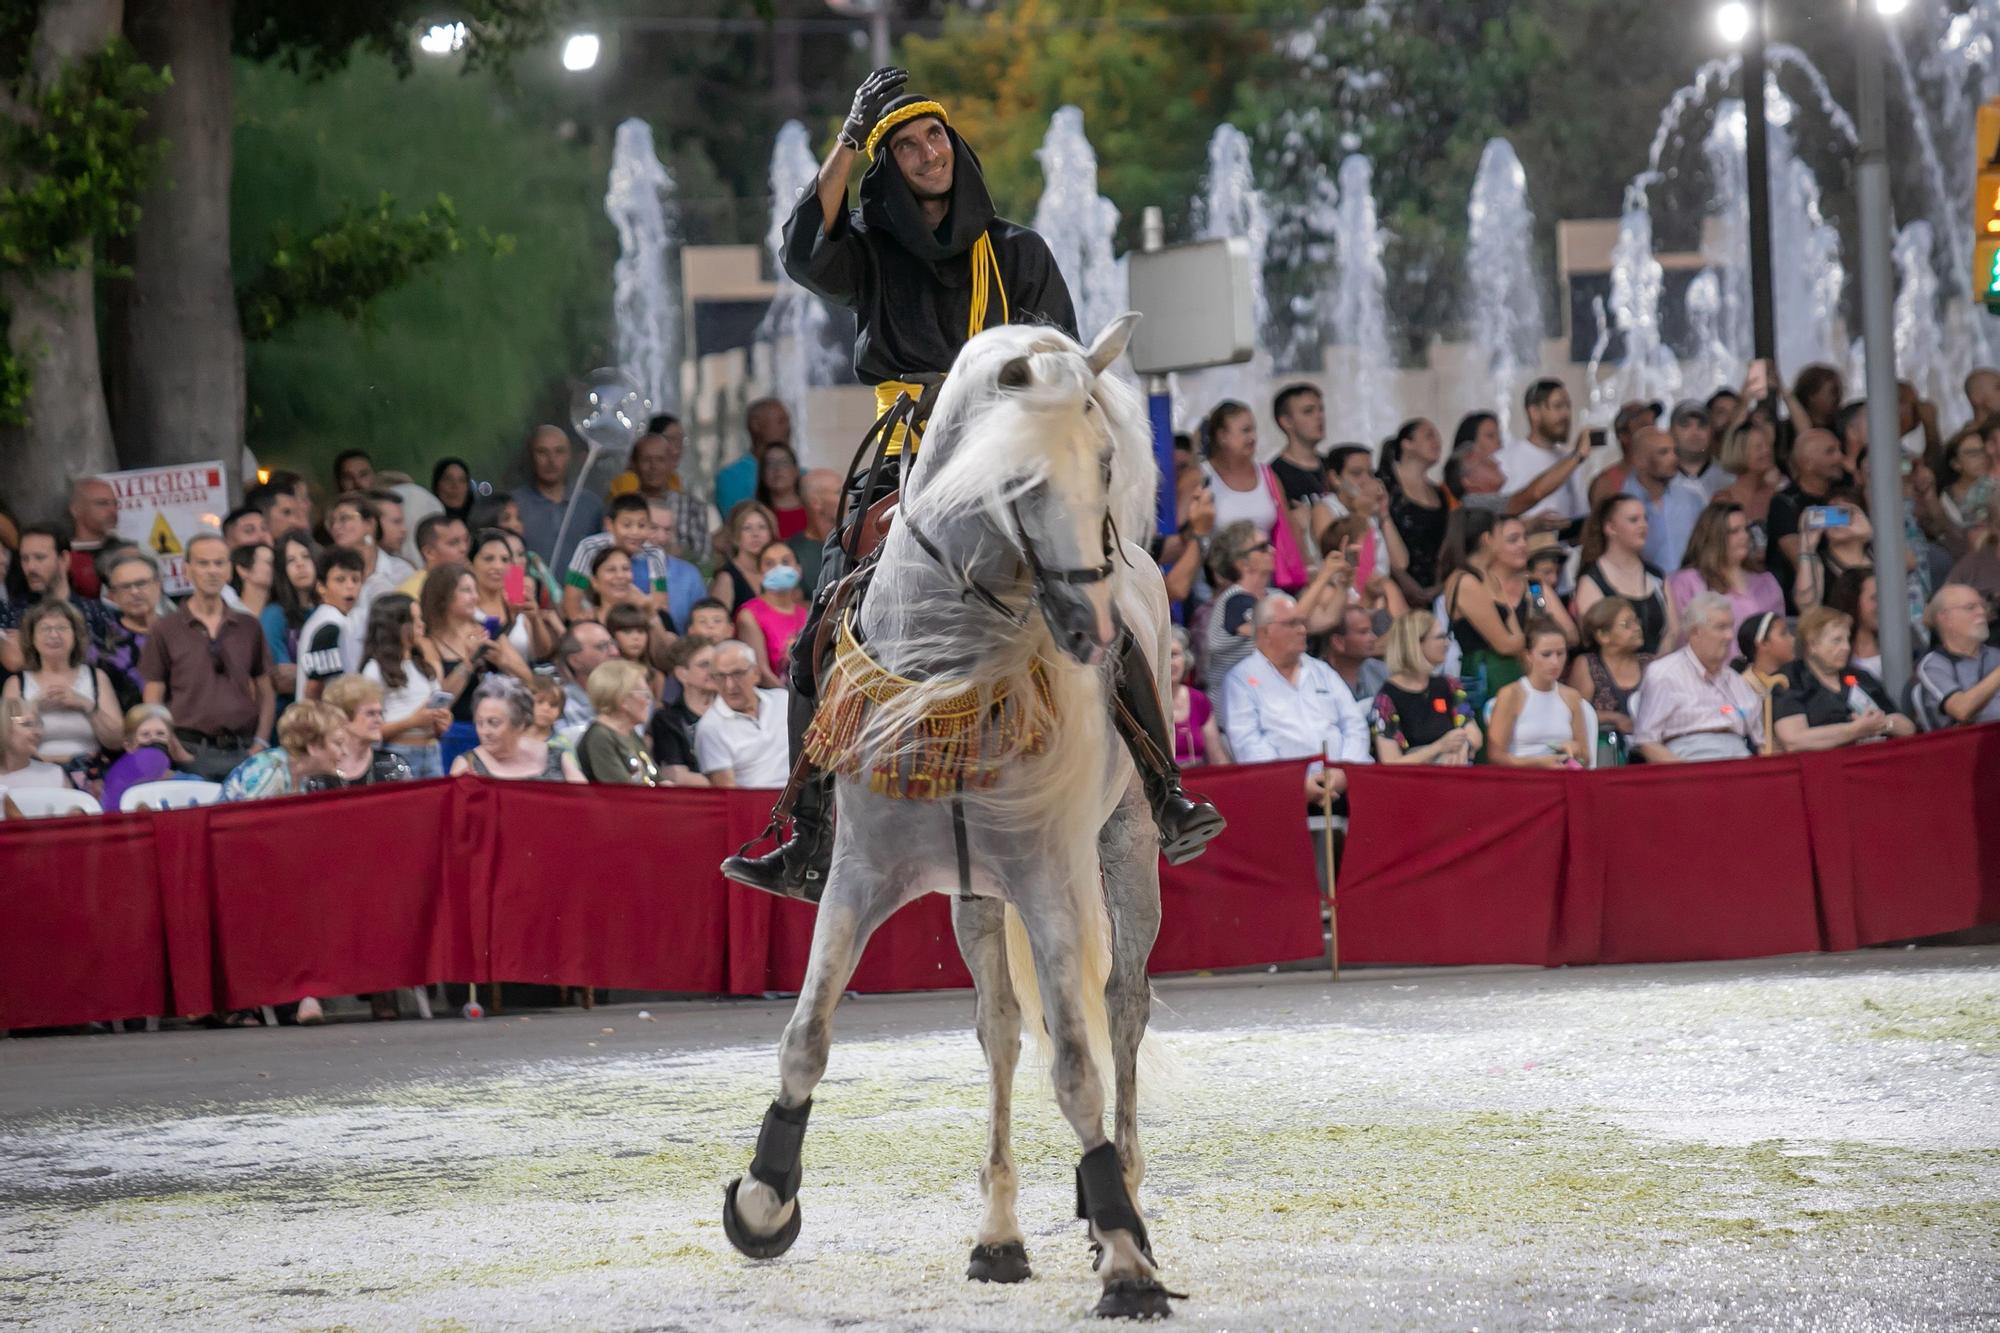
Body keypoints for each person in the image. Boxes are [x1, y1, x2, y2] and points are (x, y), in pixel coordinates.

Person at [728, 67, 1216, 897]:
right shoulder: (871, 252)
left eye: (936, 137)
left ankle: (1164, 792)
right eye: (908, 145)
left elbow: (1061, 362)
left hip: (1013, 451)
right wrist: (851, 136)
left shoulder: (1019, 249)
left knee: (1107, 590)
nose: (928, 153)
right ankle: (806, 830)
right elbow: (804, 251)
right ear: (888, 165)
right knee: (822, 615)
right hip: (907, 449)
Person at [140, 534, 275, 780]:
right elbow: (153, 695)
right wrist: (172, 745)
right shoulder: (166, 628)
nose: (212, 571)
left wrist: (261, 742)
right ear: (187, 569)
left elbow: (266, 689)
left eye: (219, 563)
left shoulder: (248, 626)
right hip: (189, 748)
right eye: (203, 563)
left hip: (243, 748)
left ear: (230, 570)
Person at [1219, 593, 1372, 808]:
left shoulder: (1322, 672)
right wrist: (1294, 784)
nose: (1302, 630)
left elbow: (1354, 724)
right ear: (1265, 631)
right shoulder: (1241, 680)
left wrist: (1344, 771)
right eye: (1292, 623)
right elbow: (1248, 742)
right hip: (1278, 797)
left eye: (1302, 622)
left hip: (1343, 786)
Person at [1440, 510, 1576, 714]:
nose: (1523, 545)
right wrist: (1538, 639)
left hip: (1518, 673)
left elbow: (1566, 633)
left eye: (1524, 538)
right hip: (1487, 675)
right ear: (1489, 540)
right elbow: (1507, 643)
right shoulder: (1469, 580)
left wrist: (1537, 612)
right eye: (1513, 540)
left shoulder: (1534, 587)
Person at [423, 563, 534, 768]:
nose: (475, 597)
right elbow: (440, 699)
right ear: (443, 596)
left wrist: (503, 661)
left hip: (495, 731)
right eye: (466, 590)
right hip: (453, 733)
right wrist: (469, 662)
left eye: (475, 590)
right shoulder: (429, 641)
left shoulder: (488, 631)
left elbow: (528, 679)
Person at [1631, 592, 1764, 762]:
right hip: (1689, 761)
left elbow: (1761, 742)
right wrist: (1688, 777)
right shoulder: (1664, 674)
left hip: (1739, 758)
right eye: (1721, 627)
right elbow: (1646, 741)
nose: (1730, 636)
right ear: (1695, 632)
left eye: (1731, 627)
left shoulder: (1736, 681)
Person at [3, 600, 123, 774]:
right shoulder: (16, 683)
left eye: (62, 628)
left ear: (76, 636)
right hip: (34, 770)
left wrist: (85, 704)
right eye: (45, 629)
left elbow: (116, 740)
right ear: (32, 638)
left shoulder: (97, 677)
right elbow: (6, 737)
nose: (54, 635)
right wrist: (33, 708)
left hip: (90, 771)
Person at [1770, 606, 1913, 751]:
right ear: (1812, 644)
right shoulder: (1790, 679)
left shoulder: (1860, 676)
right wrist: (1854, 730)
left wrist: (1881, 724)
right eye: (1837, 640)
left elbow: (1908, 728)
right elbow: (1794, 740)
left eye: (1847, 639)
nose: (1846, 647)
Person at [1201, 400, 1304, 592]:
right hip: (1219, 582)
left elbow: (1289, 524)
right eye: (1245, 431)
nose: (1252, 437)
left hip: (1268, 578)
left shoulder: (1267, 474)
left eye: (1254, 430)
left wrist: (1305, 565)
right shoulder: (1203, 477)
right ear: (1222, 436)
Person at [359, 592, 450, 779]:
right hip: (397, 754)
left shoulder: (423, 667)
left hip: (431, 750)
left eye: (420, 619)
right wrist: (413, 721)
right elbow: (369, 729)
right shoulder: (375, 670)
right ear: (394, 626)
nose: (421, 625)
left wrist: (441, 722)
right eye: (414, 620)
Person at [1369, 610, 1479, 765]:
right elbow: (1390, 762)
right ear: (1415, 644)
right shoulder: (1387, 699)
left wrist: (1464, 744)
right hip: (1413, 782)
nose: (1447, 643)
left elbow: (1474, 735)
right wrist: (1439, 747)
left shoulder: (1449, 685)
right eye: (1440, 637)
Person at [1573, 493, 1675, 656]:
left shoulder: (1656, 576)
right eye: (1634, 520)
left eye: (1645, 519)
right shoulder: (1591, 579)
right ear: (1610, 528)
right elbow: (1592, 637)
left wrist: (1656, 669)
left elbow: (1672, 631)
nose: (1643, 525)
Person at [1487, 619, 1591, 768]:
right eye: (1546, 654)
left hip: (1562, 776)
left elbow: (1586, 759)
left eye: (1560, 653)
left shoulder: (1571, 696)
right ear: (1529, 655)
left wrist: (1577, 750)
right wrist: (1539, 763)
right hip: (1522, 779)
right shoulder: (1511, 694)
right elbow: (1495, 756)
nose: (1555, 662)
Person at [1767, 427, 1852, 607]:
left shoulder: (1846, 496)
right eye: (1830, 452)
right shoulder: (1785, 503)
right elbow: (1798, 558)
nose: (1840, 457)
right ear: (1808, 463)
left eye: (1839, 449)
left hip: (1848, 599)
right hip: (1806, 607)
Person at [1667, 500, 1784, 631]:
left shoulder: (1766, 582)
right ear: (1713, 536)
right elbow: (1681, 635)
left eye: (1746, 529)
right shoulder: (1687, 582)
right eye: (1734, 531)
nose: (1744, 536)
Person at [1, 524, 118, 654]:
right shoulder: (13, 613)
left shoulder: (97, 613)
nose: (30, 567)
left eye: (40, 558)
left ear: (64, 559)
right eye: (25, 559)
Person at [450, 675, 584, 782]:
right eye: (479, 723)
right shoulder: (466, 765)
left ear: (520, 723)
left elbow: (588, 805)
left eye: (494, 723)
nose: (484, 731)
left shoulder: (557, 757)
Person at [695, 639, 791, 787]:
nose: (730, 685)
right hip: (756, 806)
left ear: (756, 673)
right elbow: (728, 793)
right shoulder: (710, 727)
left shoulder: (784, 701)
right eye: (720, 676)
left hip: (804, 799)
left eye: (737, 674)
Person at [1497, 378, 1592, 524]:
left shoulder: (1569, 460)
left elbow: (1579, 514)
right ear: (1534, 412)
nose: (1566, 414)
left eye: (1568, 407)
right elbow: (1505, 513)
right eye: (1558, 406)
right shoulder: (1504, 460)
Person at [563, 493, 669, 622]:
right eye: (626, 525)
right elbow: (571, 603)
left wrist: (643, 603)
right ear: (609, 525)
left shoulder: (655, 553)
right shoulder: (590, 547)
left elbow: (660, 606)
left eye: (642, 525)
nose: (635, 532)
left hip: (638, 622)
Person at [512, 425, 603, 574]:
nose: (551, 460)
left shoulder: (591, 506)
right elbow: (508, 560)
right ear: (531, 456)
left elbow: (603, 560)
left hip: (581, 596)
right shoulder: (514, 506)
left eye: (559, 452)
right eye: (542, 452)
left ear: (569, 456)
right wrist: (515, 595)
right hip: (527, 595)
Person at [1200, 520, 1278, 692]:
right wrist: (1324, 576)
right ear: (1242, 562)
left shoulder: (1277, 596)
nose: (1273, 550)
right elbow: (1276, 631)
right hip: (1235, 702)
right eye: (1263, 547)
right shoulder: (1234, 600)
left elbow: (1315, 621)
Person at [219, 699, 345, 801]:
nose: (344, 752)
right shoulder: (271, 772)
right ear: (313, 746)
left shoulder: (304, 774)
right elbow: (247, 828)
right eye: (338, 744)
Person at [469, 528, 563, 666]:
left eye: (505, 559)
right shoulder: (466, 606)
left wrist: (534, 619)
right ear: (470, 564)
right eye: (488, 559)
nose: (498, 566)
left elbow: (542, 653)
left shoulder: (515, 598)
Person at [1912, 584, 2000, 728]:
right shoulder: (1934, 665)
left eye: (1982, 606)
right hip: (1968, 746)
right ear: (1945, 618)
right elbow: (1961, 710)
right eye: (1970, 607)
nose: (1981, 612)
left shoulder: (1995, 655)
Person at [1622, 427, 1708, 571]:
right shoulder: (1621, 505)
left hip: (1691, 587)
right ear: (1639, 461)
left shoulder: (1692, 499)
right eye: (1663, 452)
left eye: (1674, 451)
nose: (1674, 458)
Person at [308, 675, 418, 787]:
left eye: (380, 713)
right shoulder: (319, 773)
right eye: (370, 714)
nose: (379, 720)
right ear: (342, 718)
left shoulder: (392, 766)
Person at [1568, 596, 1653, 741]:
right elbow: (1576, 713)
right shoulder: (1588, 664)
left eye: (1636, 621)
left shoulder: (1650, 663)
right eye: (1626, 625)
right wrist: (1613, 718)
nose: (1637, 628)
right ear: (1603, 636)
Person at [1380, 417, 1450, 592]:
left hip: (1433, 585)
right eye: (1429, 436)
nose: (1437, 442)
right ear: (1407, 444)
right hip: (1393, 584)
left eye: (1437, 436)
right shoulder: (1385, 485)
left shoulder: (1440, 493)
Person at [96, 550, 167, 711]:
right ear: (112, 596)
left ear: (158, 586)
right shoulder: (101, 644)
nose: (134, 592)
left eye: (141, 583)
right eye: (125, 587)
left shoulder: (183, 632)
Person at [101, 704, 203, 811]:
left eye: (160, 733)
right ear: (129, 746)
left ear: (171, 743)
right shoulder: (117, 791)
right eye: (145, 734)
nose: (154, 739)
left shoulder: (192, 783)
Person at [296, 547, 366, 701]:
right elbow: (314, 687)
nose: (350, 586)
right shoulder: (329, 626)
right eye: (340, 579)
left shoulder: (344, 620)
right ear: (321, 586)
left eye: (355, 579)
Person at [736, 543, 809, 688]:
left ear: (798, 570)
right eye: (770, 564)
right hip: (776, 699)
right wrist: (792, 701)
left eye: (786, 562)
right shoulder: (749, 615)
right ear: (760, 573)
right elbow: (760, 673)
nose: (779, 568)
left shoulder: (806, 613)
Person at [577, 659, 661, 785]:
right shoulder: (600, 737)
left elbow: (656, 777)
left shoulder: (630, 732)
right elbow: (621, 791)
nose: (649, 701)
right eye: (645, 694)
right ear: (623, 700)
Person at [261, 531, 318, 715]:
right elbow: (282, 679)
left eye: (306, 556)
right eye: (291, 560)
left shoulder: (329, 610)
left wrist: (300, 673)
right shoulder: (274, 615)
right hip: (288, 716)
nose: (300, 564)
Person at [650, 635, 717, 786]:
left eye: (715, 663)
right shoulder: (667, 719)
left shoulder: (733, 712)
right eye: (704, 665)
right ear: (682, 674)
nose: (714, 670)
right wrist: (729, 783)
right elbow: (677, 776)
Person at [714, 399, 794, 522]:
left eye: (788, 421)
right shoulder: (731, 477)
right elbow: (738, 524)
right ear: (755, 425)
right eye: (781, 422)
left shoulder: (800, 473)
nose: (788, 428)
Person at [1737, 611, 1798, 755]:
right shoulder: (1742, 685)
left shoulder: (1796, 678)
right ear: (1763, 643)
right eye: (1783, 634)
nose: (1792, 639)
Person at [1166, 627, 1226, 767]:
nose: (1170, 663)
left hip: (1198, 781)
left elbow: (1217, 758)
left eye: (1174, 654)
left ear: (1186, 659)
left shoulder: (1198, 700)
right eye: (1164, 657)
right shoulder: (1146, 704)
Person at [1715, 414, 1784, 536]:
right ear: (1740, 452)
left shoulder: (1778, 493)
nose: (1767, 451)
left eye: (1768, 445)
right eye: (1758, 447)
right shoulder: (1724, 499)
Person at [1587, 399, 1662, 507]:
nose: (1653, 433)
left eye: (1654, 425)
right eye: (1644, 426)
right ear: (1623, 436)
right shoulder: (1606, 484)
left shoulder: (1668, 475)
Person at [711, 501, 780, 615]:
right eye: (747, 528)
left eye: (762, 527)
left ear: (771, 533)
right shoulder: (727, 577)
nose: (755, 534)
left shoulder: (778, 571)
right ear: (736, 535)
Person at [1269, 383, 1330, 508]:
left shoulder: (1332, 465)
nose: (1319, 417)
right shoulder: (1275, 474)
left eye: (1321, 409)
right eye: (1308, 411)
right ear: (1286, 421)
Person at [550, 622, 616, 737]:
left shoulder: (631, 694)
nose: (614, 652)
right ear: (575, 661)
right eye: (602, 646)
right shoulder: (559, 703)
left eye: (613, 644)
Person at [65, 477, 123, 599]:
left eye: (115, 504)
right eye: (102, 503)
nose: (113, 510)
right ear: (75, 509)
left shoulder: (132, 550)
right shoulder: (61, 556)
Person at [1825, 567, 1886, 678]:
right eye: (1875, 598)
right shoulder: (1829, 657)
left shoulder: (1906, 653)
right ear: (1853, 600)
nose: (1884, 605)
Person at [1322, 603, 1388, 703]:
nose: (1373, 638)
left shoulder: (1382, 671)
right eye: (1363, 632)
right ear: (1338, 642)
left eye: (1371, 631)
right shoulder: (1317, 678)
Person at [792, 470, 843, 596]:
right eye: (839, 492)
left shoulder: (856, 542)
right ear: (816, 503)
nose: (849, 497)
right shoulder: (792, 552)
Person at [0, 699, 69, 793]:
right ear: (4, 727)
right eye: (27, 724)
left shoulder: (53, 774)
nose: (38, 732)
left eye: (39, 725)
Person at [1938, 422, 1995, 534]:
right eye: (1972, 454)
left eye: (1983, 451)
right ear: (1955, 463)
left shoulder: (1995, 487)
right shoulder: (1945, 499)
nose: (1981, 458)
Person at [397, 514, 471, 599]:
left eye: (466, 540)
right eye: (453, 543)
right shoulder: (412, 593)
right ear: (429, 553)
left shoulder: (475, 581)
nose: (464, 548)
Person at [1669, 400, 1732, 499]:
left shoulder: (1729, 479)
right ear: (1671, 431)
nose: (1695, 433)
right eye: (1685, 425)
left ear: (1711, 432)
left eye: (1702, 425)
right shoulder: (1657, 479)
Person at [756, 442, 809, 542]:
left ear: (796, 470)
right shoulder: (756, 514)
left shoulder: (813, 511)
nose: (777, 469)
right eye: (770, 464)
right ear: (762, 473)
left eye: (784, 462)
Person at [229, 542, 276, 621]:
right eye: (269, 563)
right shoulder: (231, 615)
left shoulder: (280, 613)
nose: (274, 568)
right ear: (243, 570)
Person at [431, 457, 477, 525]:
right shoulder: (427, 523)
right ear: (437, 485)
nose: (455, 486)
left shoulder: (482, 523)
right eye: (448, 479)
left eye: (462, 480)